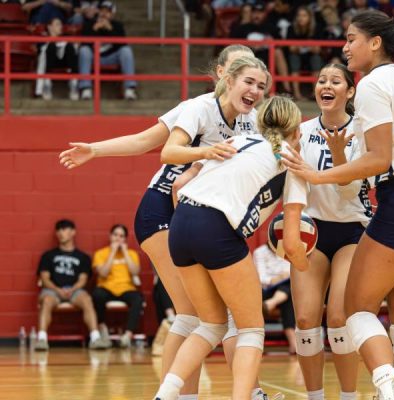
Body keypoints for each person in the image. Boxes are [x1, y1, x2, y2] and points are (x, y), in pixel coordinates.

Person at [58, 45, 266, 400]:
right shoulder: (198, 107)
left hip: (205, 216)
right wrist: (95, 149)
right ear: (224, 75)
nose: (253, 87)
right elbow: (150, 144)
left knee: (217, 316)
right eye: (242, 72)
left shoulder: (252, 118)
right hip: (163, 212)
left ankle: (236, 392)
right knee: (198, 315)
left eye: (259, 80)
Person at [281, 10, 394, 398]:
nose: (345, 47)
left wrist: (318, 175)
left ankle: (388, 385)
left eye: (351, 39)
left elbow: (379, 159)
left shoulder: (373, 84)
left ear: (376, 43)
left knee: (356, 310)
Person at [153, 93, 310, 400]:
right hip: (216, 229)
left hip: (181, 223)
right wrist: (305, 266)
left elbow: (179, 185)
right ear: (297, 131)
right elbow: (292, 243)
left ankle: (165, 395)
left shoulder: (237, 141)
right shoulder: (291, 162)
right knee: (251, 329)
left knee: (210, 324)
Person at [292, 63, 371, 400]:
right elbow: (290, 181)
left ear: (349, 91)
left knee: (339, 317)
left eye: (336, 81)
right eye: (321, 80)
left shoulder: (365, 132)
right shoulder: (301, 129)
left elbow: (350, 192)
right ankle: (315, 397)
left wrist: (339, 156)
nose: (326, 85)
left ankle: (349, 396)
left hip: (352, 230)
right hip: (311, 230)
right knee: (307, 319)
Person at [36, 219, 107, 351]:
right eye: (59, 230)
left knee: (87, 299)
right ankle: (41, 339)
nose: (61, 233)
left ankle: (95, 338)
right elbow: (44, 279)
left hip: (75, 291)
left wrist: (71, 290)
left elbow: (83, 279)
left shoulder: (83, 257)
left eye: (64, 229)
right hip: (52, 291)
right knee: (46, 301)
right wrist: (58, 290)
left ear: (73, 232)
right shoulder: (48, 256)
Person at [92, 224, 144, 348]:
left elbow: (135, 272)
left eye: (121, 236)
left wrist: (125, 252)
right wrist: (113, 251)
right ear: (110, 236)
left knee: (138, 298)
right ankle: (102, 328)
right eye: (115, 235)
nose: (118, 238)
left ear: (125, 239)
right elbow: (103, 273)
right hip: (107, 288)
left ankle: (128, 335)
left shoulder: (131, 254)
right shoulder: (101, 253)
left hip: (126, 289)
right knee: (96, 295)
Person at [78, 0, 137, 100]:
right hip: (94, 57)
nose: (104, 14)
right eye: (102, 11)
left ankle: (129, 88)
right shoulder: (89, 24)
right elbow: (84, 44)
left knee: (126, 51)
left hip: (111, 57)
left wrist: (110, 29)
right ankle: (85, 88)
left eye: (107, 11)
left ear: (112, 14)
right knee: (84, 51)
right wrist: (95, 29)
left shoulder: (118, 26)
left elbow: (122, 44)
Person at [253, 244, 296, 355]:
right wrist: (275, 279)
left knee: (289, 289)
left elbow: (291, 272)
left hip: (285, 288)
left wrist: (283, 277)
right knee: (288, 292)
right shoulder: (259, 252)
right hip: (266, 290)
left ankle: (270, 304)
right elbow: (260, 277)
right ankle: (293, 342)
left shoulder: (288, 250)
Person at [35, 17, 79, 101]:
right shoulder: (42, 38)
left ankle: (73, 84)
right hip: (50, 62)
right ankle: (46, 85)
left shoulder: (66, 37)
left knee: (70, 46)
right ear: (50, 27)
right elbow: (40, 51)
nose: (61, 27)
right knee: (50, 47)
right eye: (57, 24)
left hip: (65, 60)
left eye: (61, 24)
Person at [287, 6, 323, 100]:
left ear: (310, 17)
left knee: (316, 59)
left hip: (311, 56)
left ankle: (316, 93)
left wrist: (302, 47)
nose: (301, 18)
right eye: (299, 15)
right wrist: (308, 46)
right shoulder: (291, 28)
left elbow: (318, 49)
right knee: (294, 58)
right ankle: (297, 94)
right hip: (297, 56)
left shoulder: (316, 28)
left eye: (304, 15)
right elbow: (291, 48)